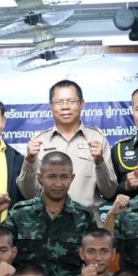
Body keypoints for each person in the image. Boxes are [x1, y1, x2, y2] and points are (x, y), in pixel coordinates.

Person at [0, 151, 94, 276]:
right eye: (51, 177)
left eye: (64, 177)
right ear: (40, 178)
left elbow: (97, 257)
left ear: (72, 178)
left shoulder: (83, 217)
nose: (58, 184)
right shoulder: (20, 213)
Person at [17, 79, 116, 211]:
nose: (65, 106)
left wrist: (99, 162)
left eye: (71, 101)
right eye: (59, 102)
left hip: (88, 220)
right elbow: (28, 194)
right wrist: (29, 160)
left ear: (81, 104)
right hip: (49, 220)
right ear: (51, 105)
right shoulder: (39, 142)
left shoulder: (97, 139)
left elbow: (109, 192)